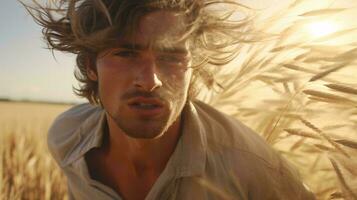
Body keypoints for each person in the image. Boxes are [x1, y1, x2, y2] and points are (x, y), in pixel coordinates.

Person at [26, 0, 315, 199]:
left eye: (171, 57)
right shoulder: (67, 140)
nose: (151, 81)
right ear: (91, 66)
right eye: (126, 53)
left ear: (193, 66)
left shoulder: (253, 167)